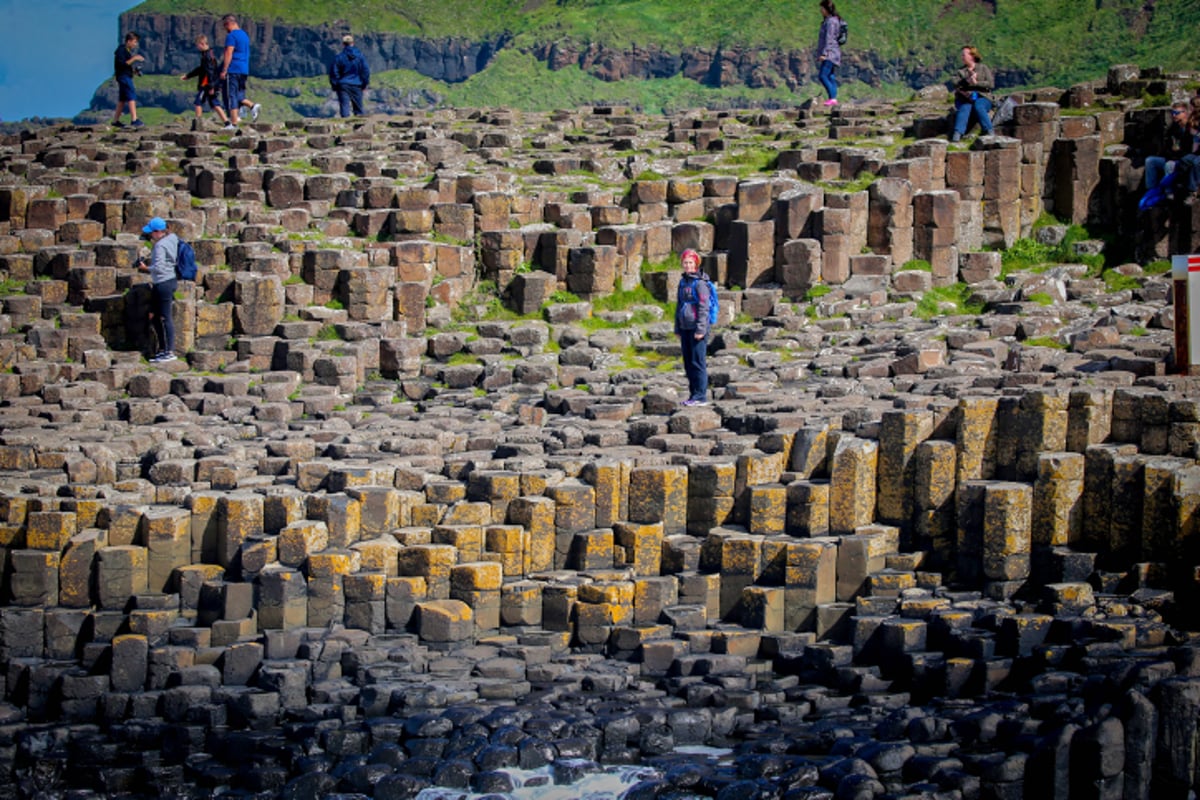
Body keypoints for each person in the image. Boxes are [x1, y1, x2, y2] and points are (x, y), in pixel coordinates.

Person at [137, 217, 179, 363]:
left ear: (158, 232)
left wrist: (145, 268)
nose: (150, 235)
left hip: (164, 283)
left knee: (165, 317)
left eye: (151, 232)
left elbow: (160, 267)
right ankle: (162, 349)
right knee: (154, 315)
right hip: (167, 281)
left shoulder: (160, 246)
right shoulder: (172, 239)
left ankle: (169, 351)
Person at [674, 249, 711, 407]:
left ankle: (701, 396)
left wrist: (701, 329)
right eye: (685, 263)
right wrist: (677, 328)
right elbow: (679, 306)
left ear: (696, 264)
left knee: (698, 362)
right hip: (685, 328)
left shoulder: (700, 283)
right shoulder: (683, 282)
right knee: (688, 363)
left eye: (690, 263)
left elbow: (704, 307)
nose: (688, 265)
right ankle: (693, 395)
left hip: (697, 329)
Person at [219, 14, 262, 131]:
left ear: (228, 23)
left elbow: (229, 52)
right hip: (244, 69)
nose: (225, 29)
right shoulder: (244, 35)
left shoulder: (231, 36)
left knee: (231, 95)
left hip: (233, 68)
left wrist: (224, 69)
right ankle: (252, 106)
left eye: (225, 26)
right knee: (239, 95)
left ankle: (233, 123)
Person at [180, 35, 229, 125]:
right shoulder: (209, 54)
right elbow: (201, 69)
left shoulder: (207, 56)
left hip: (206, 84)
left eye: (197, 45)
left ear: (202, 44)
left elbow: (210, 71)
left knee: (198, 102)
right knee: (214, 103)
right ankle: (227, 122)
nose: (197, 48)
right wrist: (188, 76)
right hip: (212, 83)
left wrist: (211, 86)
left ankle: (198, 123)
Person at [951, 45, 995, 142]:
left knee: (979, 105)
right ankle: (957, 134)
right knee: (965, 108)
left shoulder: (983, 68)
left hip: (983, 97)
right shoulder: (960, 72)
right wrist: (967, 81)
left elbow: (991, 84)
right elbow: (955, 83)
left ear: (972, 56)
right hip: (966, 98)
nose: (962, 57)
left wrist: (976, 83)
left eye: (964, 55)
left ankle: (989, 130)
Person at [329, 35, 371, 118]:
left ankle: (345, 126)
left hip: (343, 84)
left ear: (343, 44)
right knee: (359, 108)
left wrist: (335, 84)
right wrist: (364, 83)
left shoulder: (339, 57)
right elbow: (365, 71)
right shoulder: (360, 57)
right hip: (357, 84)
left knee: (344, 107)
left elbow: (334, 72)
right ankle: (360, 128)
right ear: (353, 43)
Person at [112, 32, 145, 129]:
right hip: (124, 77)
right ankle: (134, 119)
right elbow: (122, 64)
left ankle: (115, 121)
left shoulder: (126, 51)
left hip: (125, 76)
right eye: (135, 42)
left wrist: (134, 71)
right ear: (129, 41)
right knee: (131, 95)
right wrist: (134, 58)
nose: (136, 44)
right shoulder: (121, 50)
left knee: (122, 99)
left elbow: (126, 65)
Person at [815, 0, 843, 108]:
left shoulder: (831, 22)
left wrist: (824, 53)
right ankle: (833, 98)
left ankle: (832, 98)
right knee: (830, 76)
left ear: (826, 9)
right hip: (833, 52)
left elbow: (829, 39)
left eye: (822, 8)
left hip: (830, 53)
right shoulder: (832, 20)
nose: (820, 11)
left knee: (823, 76)